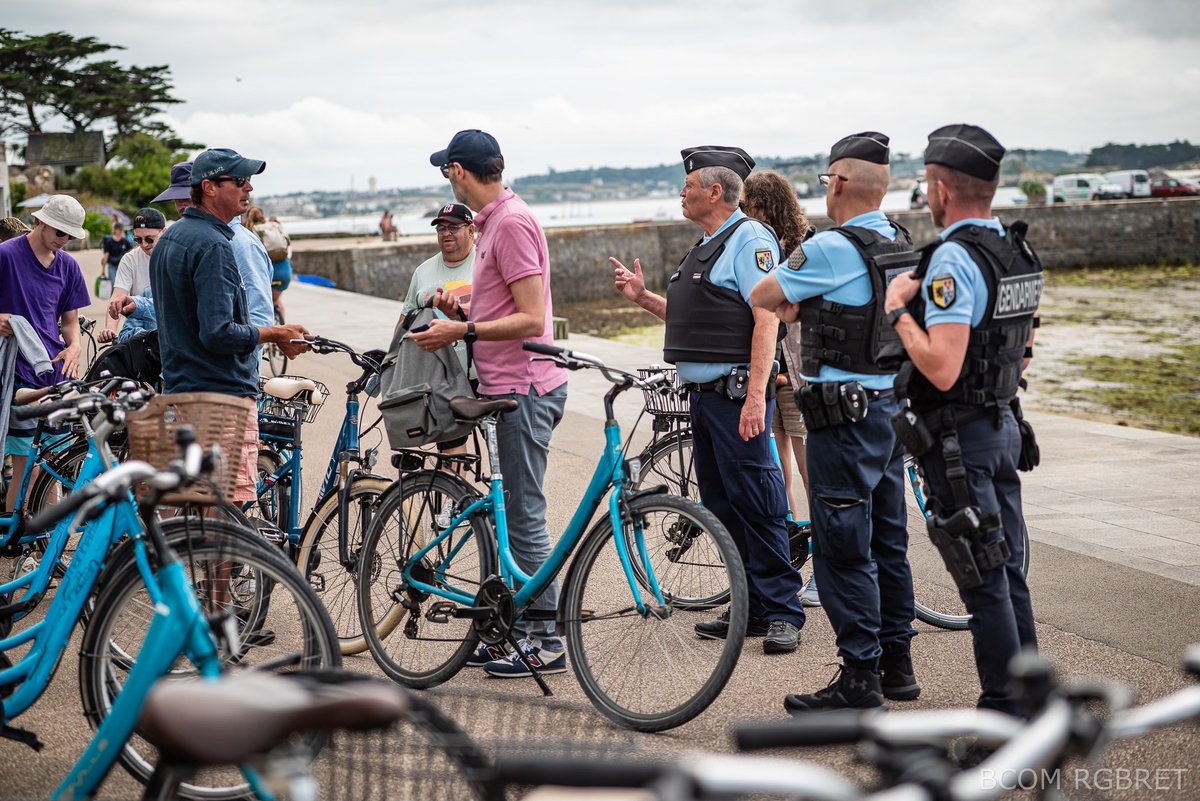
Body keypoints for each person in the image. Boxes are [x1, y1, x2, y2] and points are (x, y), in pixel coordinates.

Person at [612, 146, 805, 655]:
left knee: (759, 503)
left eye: (689, 184)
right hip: (703, 399)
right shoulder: (704, 246)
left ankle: (783, 610)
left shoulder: (749, 241)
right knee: (723, 506)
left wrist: (757, 397)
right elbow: (693, 320)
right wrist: (644, 298)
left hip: (735, 395)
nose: (681, 191)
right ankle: (751, 607)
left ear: (715, 191)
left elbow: (767, 320)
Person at [750, 132, 919, 709]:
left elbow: (761, 292)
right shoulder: (900, 240)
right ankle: (897, 664)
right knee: (889, 543)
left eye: (825, 181)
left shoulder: (828, 248)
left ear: (838, 183)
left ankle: (859, 678)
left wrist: (798, 302)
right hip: (890, 413)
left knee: (843, 548)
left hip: (842, 422)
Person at [884, 123, 1042, 716]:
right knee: (1009, 572)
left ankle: (1005, 711)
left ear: (940, 189)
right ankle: (1033, 697)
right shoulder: (1016, 249)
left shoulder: (955, 257)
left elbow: (943, 367)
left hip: (960, 437)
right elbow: (1022, 351)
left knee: (982, 579)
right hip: (1002, 424)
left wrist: (900, 310)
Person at [411, 129, 568, 678]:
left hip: (524, 387)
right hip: (501, 389)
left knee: (525, 515)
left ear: (458, 171)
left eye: (445, 170)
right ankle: (519, 630)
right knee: (512, 514)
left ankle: (545, 641)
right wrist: (462, 301)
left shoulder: (513, 221)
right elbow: (507, 293)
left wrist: (462, 330)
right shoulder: (493, 221)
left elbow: (532, 318)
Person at [150, 148, 310, 510]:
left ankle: (171, 568)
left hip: (179, 387)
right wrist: (274, 334)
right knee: (225, 514)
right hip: (219, 396)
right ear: (208, 187)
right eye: (238, 181)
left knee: (187, 507)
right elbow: (219, 333)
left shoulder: (169, 240)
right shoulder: (216, 245)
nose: (248, 188)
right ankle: (215, 570)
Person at [739, 170, 821, 608]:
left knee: (813, 476)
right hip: (771, 374)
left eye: (747, 205)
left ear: (763, 207)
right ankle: (788, 558)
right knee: (778, 474)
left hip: (796, 377)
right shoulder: (765, 245)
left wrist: (787, 371)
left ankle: (823, 572)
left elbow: (801, 320)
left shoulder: (800, 250)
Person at [0, 195, 91, 511]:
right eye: (59, 232)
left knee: (52, 463)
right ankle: (13, 534)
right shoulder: (6, 255)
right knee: (25, 463)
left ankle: (42, 540)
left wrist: (75, 346)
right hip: (16, 372)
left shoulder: (68, 266)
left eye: (69, 235)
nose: (63, 241)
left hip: (52, 371)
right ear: (40, 221)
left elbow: (70, 321)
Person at [401, 202, 477, 455]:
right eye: (440, 228)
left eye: (453, 227)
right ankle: (453, 495)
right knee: (452, 451)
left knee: (503, 450)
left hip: (488, 373)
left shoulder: (487, 263)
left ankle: (502, 495)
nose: (446, 233)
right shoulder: (423, 272)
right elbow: (405, 320)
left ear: (471, 230)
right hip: (442, 377)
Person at [101, 208, 166, 344]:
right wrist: (110, 330)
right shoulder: (130, 259)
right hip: (141, 329)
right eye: (138, 240)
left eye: (149, 239)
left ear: (163, 232)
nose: (144, 244)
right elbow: (117, 297)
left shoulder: (175, 255)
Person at [246, 205, 292, 321]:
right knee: (276, 300)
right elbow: (288, 243)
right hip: (285, 272)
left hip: (267, 273)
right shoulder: (275, 226)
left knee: (264, 303)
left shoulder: (251, 231)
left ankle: (270, 330)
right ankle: (282, 324)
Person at [100, 221, 133, 285]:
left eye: (122, 230)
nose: (121, 231)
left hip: (122, 265)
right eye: (119, 229)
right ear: (115, 230)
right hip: (112, 265)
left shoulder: (125, 241)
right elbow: (106, 256)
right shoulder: (109, 242)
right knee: (113, 282)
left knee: (122, 283)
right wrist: (103, 269)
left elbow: (131, 252)